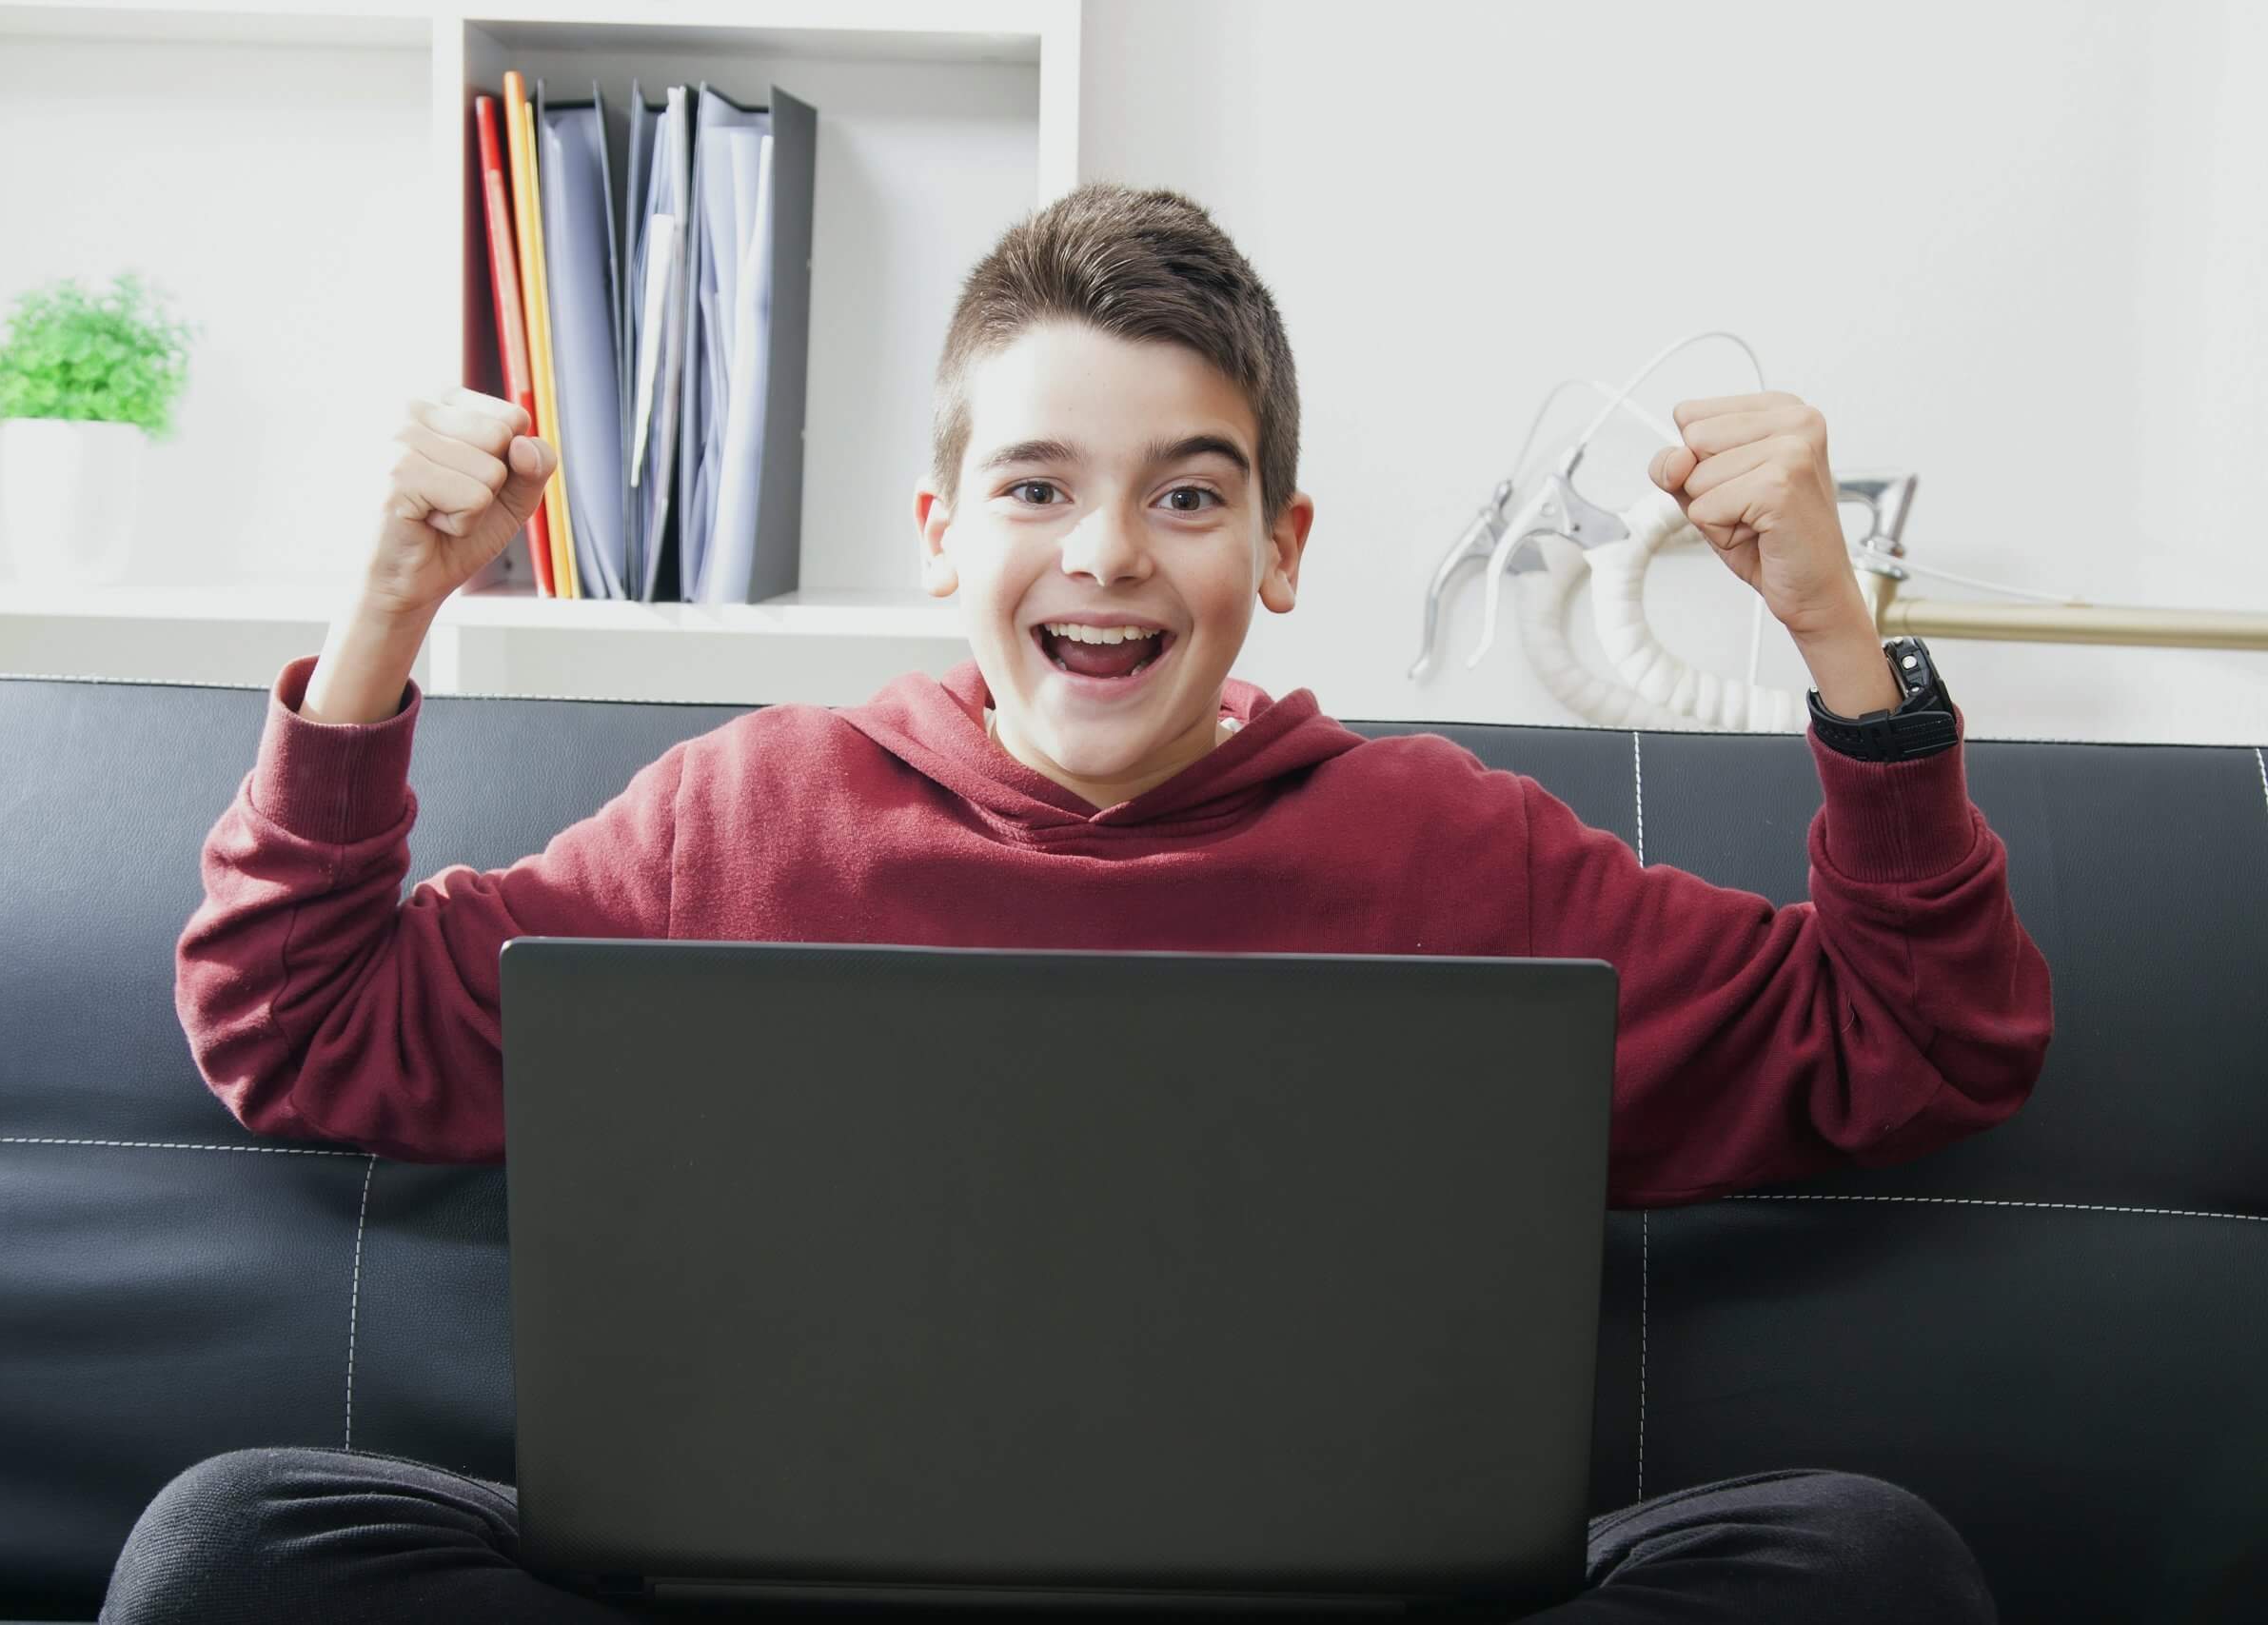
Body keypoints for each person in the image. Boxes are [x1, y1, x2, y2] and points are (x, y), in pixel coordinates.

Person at [108, 182, 2051, 1624]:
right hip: (787, 1596)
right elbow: (295, 1021)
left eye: (1187, 495)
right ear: (942, 531)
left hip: (1331, 1600)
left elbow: (1917, 1040)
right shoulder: (741, 810)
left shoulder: (1452, 848)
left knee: (1857, 1558)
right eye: (1035, 487)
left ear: (1279, 550)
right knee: (234, 1543)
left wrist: (1829, 624)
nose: (1106, 551)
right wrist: (383, 613)